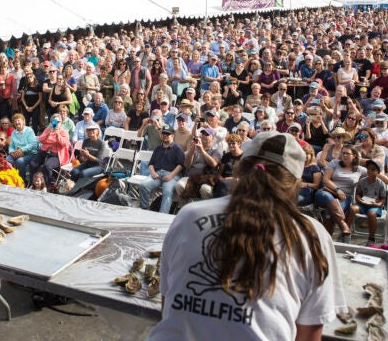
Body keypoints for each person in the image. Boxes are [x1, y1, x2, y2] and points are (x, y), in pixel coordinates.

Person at [147, 132, 345, 341]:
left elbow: (168, 306)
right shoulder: (312, 235)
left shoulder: (189, 215)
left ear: (241, 168)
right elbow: (308, 334)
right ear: (295, 182)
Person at [139, 124, 185, 213]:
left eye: (168, 134)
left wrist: (171, 176)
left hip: (172, 175)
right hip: (157, 174)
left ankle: (162, 215)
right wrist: (152, 172)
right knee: (143, 185)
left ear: (172, 136)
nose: (165, 136)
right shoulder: (158, 148)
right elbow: (151, 164)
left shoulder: (177, 149)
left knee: (167, 191)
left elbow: (180, 165)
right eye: (164, 133)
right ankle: (144, 209)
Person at [30, 113, 73, 185]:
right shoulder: (47, 130)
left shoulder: (64, 132)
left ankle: (47, 185)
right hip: (44, 152)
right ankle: (33, 182)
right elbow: (40, 140)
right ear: (51, 123)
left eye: (58, 122)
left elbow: (65, 144)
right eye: (54, 122)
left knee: (47, 166)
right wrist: (47, 134)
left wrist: (58, 134)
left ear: (61, 122)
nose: (56, 123)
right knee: (32, 164)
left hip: (56, 155)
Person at [6, 114, 39, 180]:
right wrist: (11, 152)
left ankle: (22, 180)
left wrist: (22, 150)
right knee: (8, 160)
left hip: (30, 153)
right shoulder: (13, 133)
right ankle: (11, 178)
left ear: (23, 121)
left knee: (19, 161)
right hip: (17, 152)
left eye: (18, 120)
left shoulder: (29, 130)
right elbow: (11, 145)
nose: (17, 122)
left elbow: (33, 144)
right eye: (15, 121)